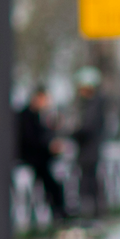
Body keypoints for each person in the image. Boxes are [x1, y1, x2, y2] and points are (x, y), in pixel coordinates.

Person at [17, 86, 66, 223]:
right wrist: (49, 147)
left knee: (55, 184)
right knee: (51, 185)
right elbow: (31, 140)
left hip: (39, 159)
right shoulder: (26, 116)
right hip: (32, 160)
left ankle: (59, 214)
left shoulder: (36, 115)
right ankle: (59, 215)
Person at [72, 67, 106, 220]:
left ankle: (90, 215)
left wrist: (72, 133)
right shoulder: (92, 104)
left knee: (88, 183)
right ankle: (94, 213)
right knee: (90, 181)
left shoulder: (93, 104)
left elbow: (87, 127)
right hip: (89, 150)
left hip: (88, 151)